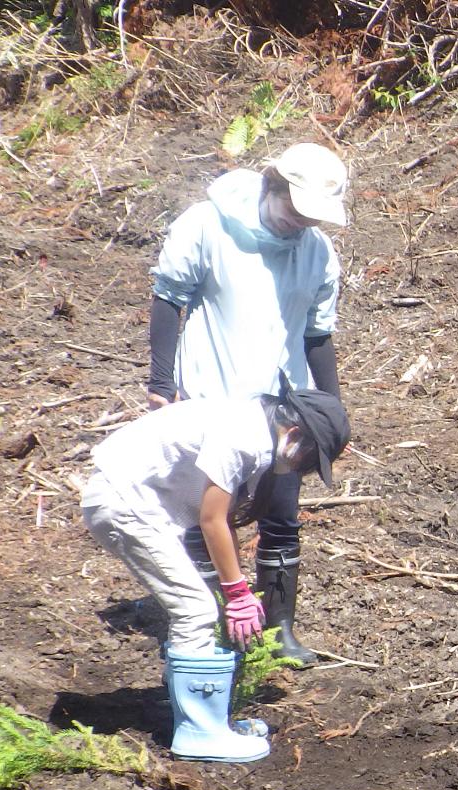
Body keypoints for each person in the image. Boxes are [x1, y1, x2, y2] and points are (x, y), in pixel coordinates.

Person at [148, 141, 349, 667]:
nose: (299, 223)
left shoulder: (318, 252)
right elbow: (170, 299)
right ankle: (214, 625)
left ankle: (279, 630)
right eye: (294, 209)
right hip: (213, 398)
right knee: (203, 516)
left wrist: (332, 408)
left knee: (281, 515)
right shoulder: (207, 226)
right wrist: (160, 383)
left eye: (311, 217)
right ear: (272, 186)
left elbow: (317, 334)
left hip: (284, 409)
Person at [82, 388, 350, 763]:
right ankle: (198, 733)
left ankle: (209, 719)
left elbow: (224, 520)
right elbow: (210, 521)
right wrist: (237, 594)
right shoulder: (244, 438)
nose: (301, 467)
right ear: (294, 433)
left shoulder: (252, 425)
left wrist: (237, 586)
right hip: (122, 504)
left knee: (199, 608)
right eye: (308, 457)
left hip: (134, 503)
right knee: (195, 610)